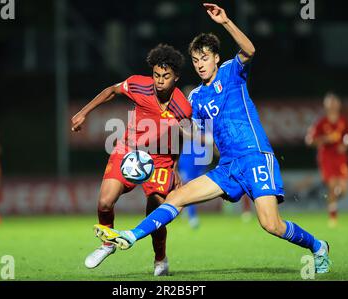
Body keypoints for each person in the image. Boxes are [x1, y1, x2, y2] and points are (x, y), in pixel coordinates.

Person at [94, 3, 332, 274]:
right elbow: (192, 129)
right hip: (228, 167)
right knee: (176, 197)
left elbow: (250, 50)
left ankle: (318, 246)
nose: (200, 65)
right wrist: (177, 135)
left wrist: (226, 21)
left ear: (216, 58)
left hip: (254, 155)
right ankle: (131, 235)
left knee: (271, 225)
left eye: (204, 58)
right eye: (195, 61)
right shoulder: (195, 97)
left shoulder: (233, 72)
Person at [71, 44, 191, 276]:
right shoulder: (139, 84)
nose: (159, 81)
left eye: (166, 76)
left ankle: (160, 259)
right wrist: (84, 112)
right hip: (129, 151)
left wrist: (175, 166)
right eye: (156, 75)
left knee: (155, 212)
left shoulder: (183, 107)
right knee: (105, 202)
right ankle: (107, 244)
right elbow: (112, 90)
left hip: (160, 158)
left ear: (176, 77)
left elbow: (180, 134)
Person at [305, 93, 348, 227]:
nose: (333, 105)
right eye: (330, 102)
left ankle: (333, 197)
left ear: (339, 104)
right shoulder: (321, 122)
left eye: (335, 102)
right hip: (326, 157)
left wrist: (346, 144)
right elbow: (309, 140)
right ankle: (333, 217)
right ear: (326, 105)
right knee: (332, 185)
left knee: (343, 190)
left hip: (341, 157)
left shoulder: (343, 120)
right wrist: (325, 139)